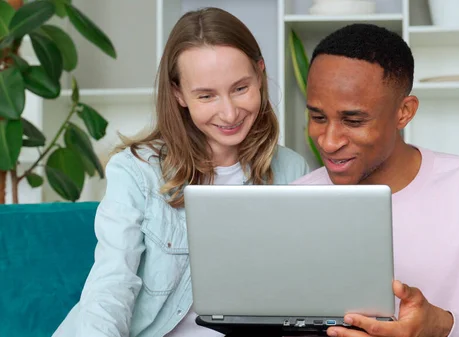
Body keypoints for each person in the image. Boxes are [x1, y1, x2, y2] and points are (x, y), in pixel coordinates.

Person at [293, 23, 459, 337]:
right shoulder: (296, 200)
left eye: (353, 120)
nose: (328, 141)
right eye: (317, 117)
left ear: (404, 113)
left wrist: (441, 327)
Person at [52, 7, 309, 337]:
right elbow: (111, 287)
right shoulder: (135, 172)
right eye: (206, 95)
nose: (229, 113)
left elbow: (300, 296)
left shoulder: (291, 170)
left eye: (241, 88)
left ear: (260, 74)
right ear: (178, 94)